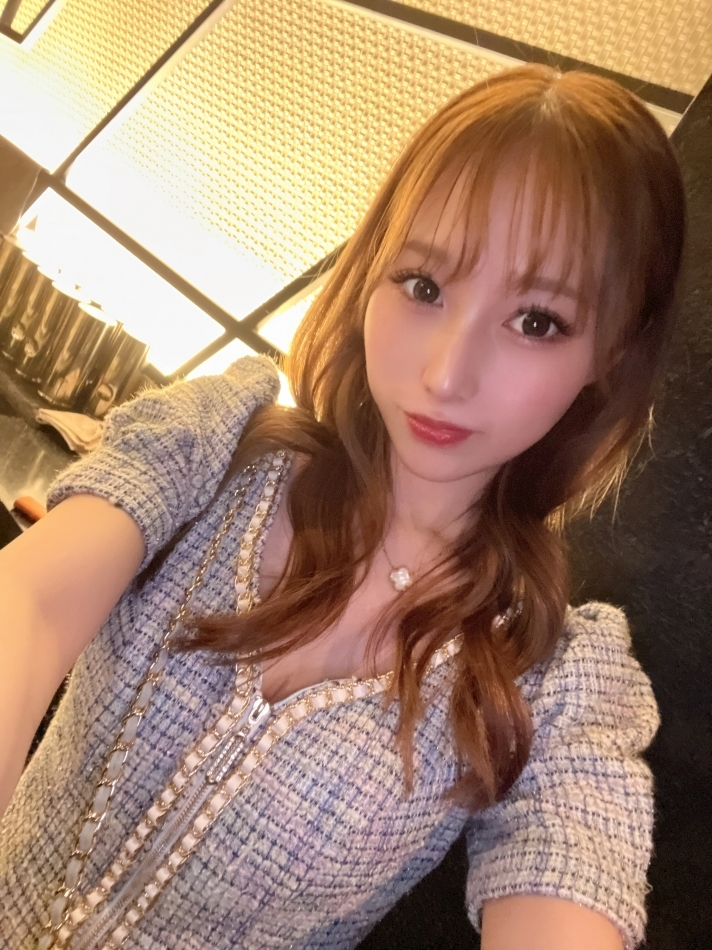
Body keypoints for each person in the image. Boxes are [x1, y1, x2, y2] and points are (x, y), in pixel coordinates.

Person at [0, 63, 686, 950]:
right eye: (424, 285)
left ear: (611, 353)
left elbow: (573, 872)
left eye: (537, 321)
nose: (446, 374)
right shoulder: (218, 441)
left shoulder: (552, 682)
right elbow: (27, 599)